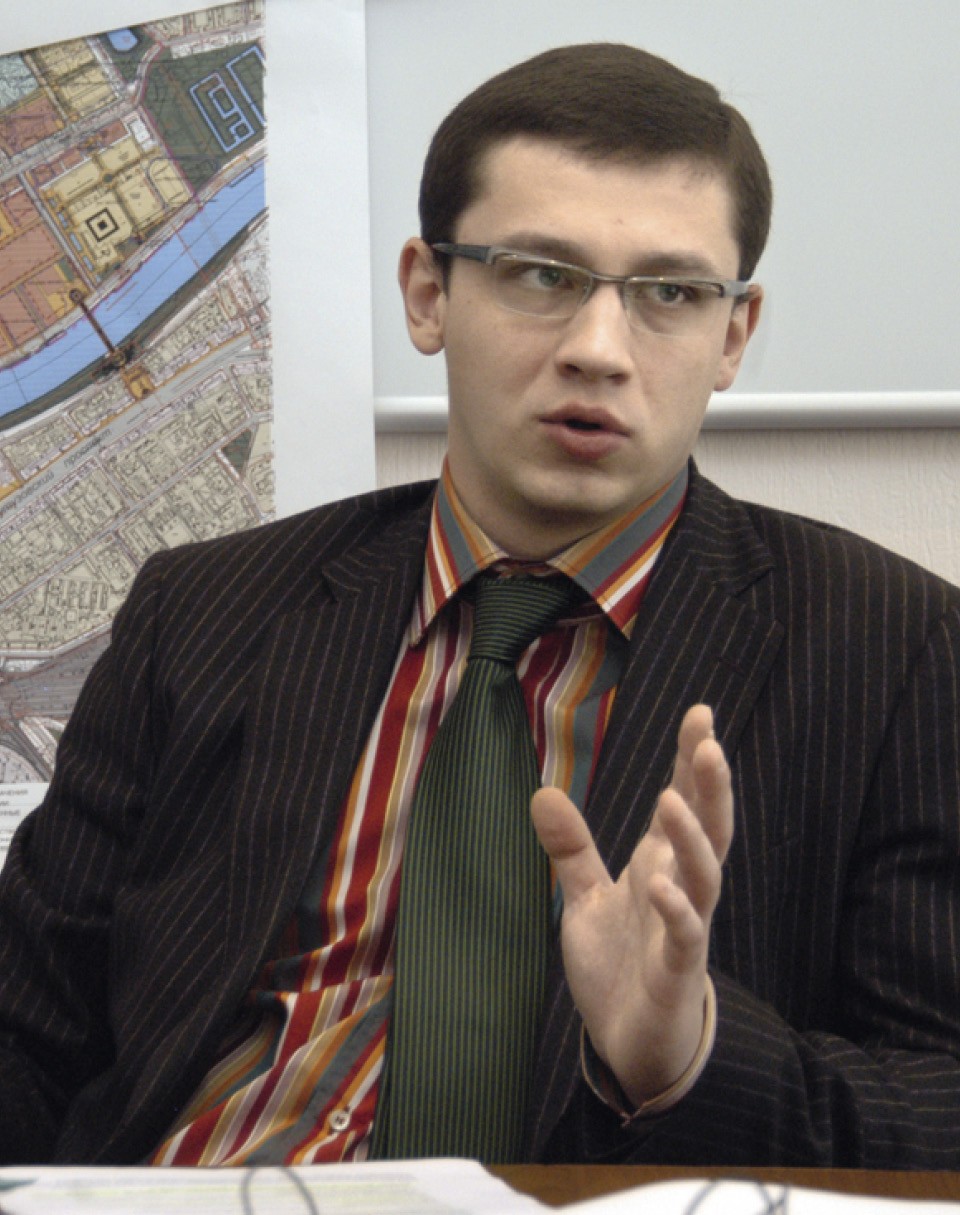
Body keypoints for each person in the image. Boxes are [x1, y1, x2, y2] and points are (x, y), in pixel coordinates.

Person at [1, 42, 959, 1170]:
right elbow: (29, 1032)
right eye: (541, 276)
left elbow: (939, 1102)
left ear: (732, 336)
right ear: (429, 293)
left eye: (670, 294)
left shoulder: (892, 649)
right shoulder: (206, 610)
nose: (599, 351)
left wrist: (691, 1058)